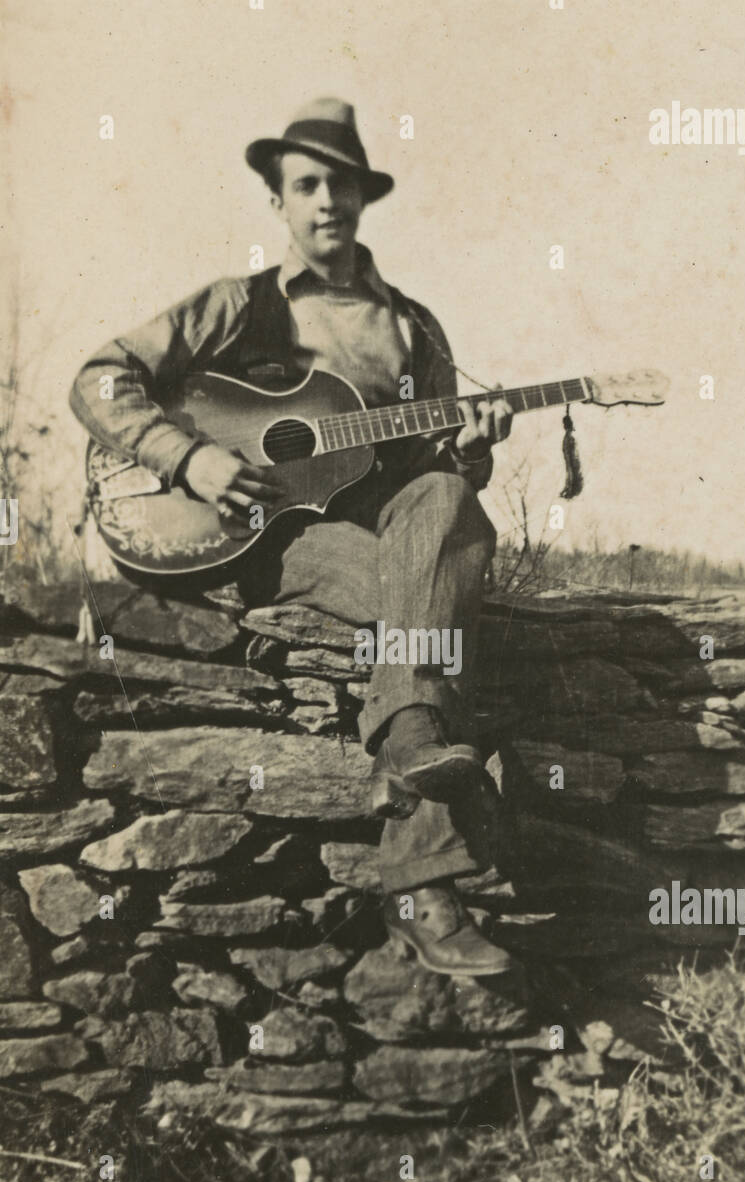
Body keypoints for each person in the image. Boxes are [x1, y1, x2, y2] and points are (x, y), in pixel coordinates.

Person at [69, 97, 515, 977]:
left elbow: (434, 482)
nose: (325, 201)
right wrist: (187, 457)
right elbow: (100, 376)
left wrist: (465, 450)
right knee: (435, 618)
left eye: (339, 183)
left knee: (444, 497)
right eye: (305, 184)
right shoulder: (241, 305)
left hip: (389, 532)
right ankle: (426, 882)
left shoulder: (412, 327)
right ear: (278, 199)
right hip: (268, 539)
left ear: (362, 196)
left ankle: (415, 759)